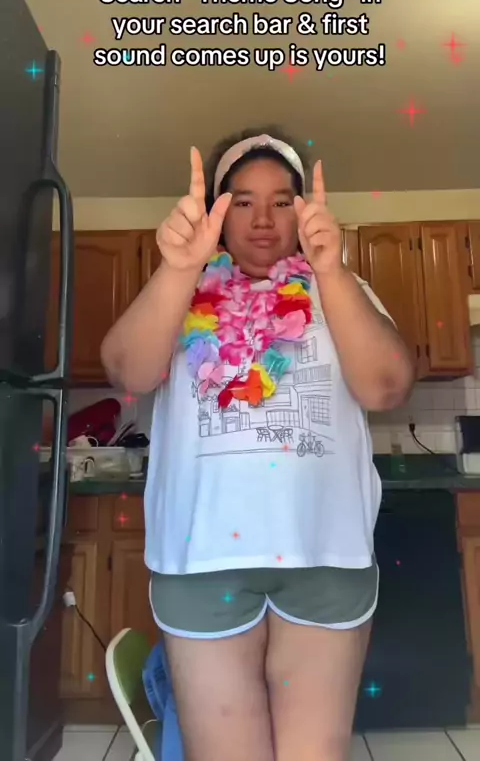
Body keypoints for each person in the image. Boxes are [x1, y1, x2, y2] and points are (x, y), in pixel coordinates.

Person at [101, 127, 414, 761]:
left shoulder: (342, 288)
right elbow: (126, 371)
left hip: (324, 555)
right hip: (201, 560)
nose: (264, 219)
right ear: (216, 214)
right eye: (242, 201)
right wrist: (178, 268)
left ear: (305, 210)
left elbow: (386, 388)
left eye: (282, 200)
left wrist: (331, 271)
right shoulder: (180, 289)